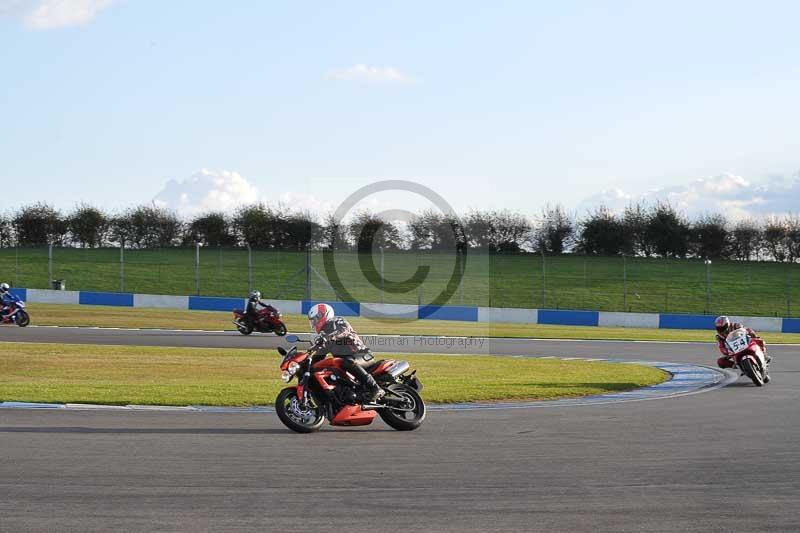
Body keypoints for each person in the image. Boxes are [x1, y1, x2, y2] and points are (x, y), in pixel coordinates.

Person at [306, 303, 385, 403]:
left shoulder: (338, 321)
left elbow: (344, 331)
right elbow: (319, 356)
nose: (314, 322)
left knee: (347, 362)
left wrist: (327, 338)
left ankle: (376, 388)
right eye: (313, 320)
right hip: (347, 362)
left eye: (316, 319)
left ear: (324, 315)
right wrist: (307, 366)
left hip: (362, 355)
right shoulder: (324, 336)